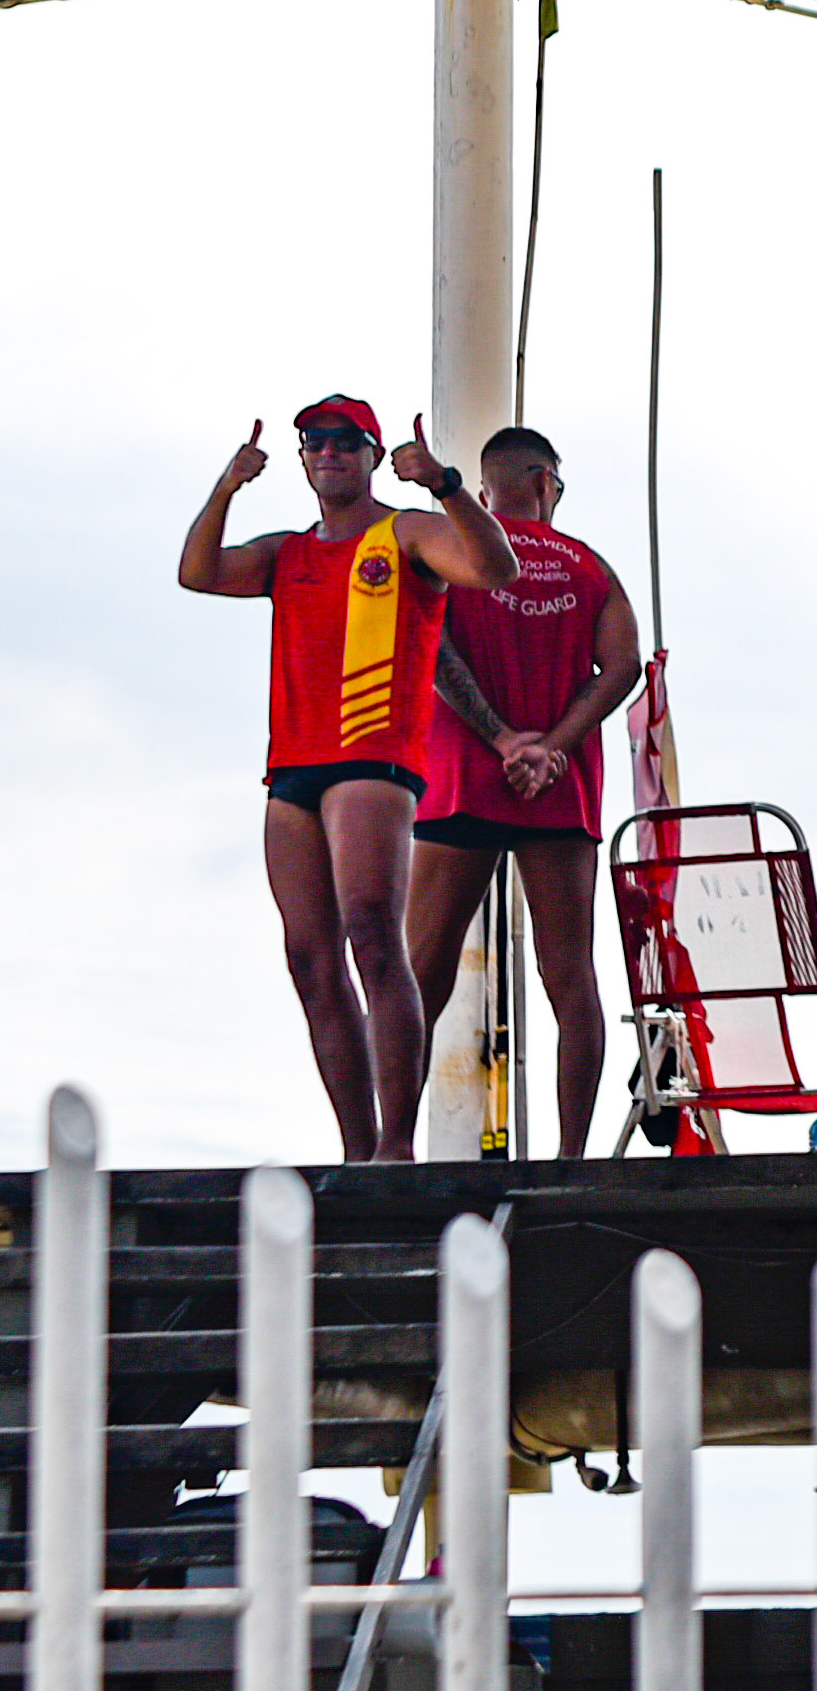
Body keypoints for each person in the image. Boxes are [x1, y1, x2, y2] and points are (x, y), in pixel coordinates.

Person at [178, 395, 518, 1161]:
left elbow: (496, 568)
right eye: (314, 442)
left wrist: (445, 484)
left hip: (371, 756)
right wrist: (227, 487)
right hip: (292, 766)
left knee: (372, 933)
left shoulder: (403, 529)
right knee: (309, 955)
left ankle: (396, 1144)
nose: (327, 452)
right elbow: (197, 573)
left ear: (371, 454)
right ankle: (358, 1147)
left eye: (344, 440)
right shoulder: (288, 552)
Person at [404, 425, 643, 1158]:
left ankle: (389, 1146)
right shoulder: (591, 566)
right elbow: (623, 666)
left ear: (486, 490)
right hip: (559, 788)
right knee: (570, 974)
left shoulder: (457, 548)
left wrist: (501, 737)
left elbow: (433, 652)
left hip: (463, 774)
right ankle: (573, 1158)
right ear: (543, 483)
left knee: (421, 974)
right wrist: (552, 746)